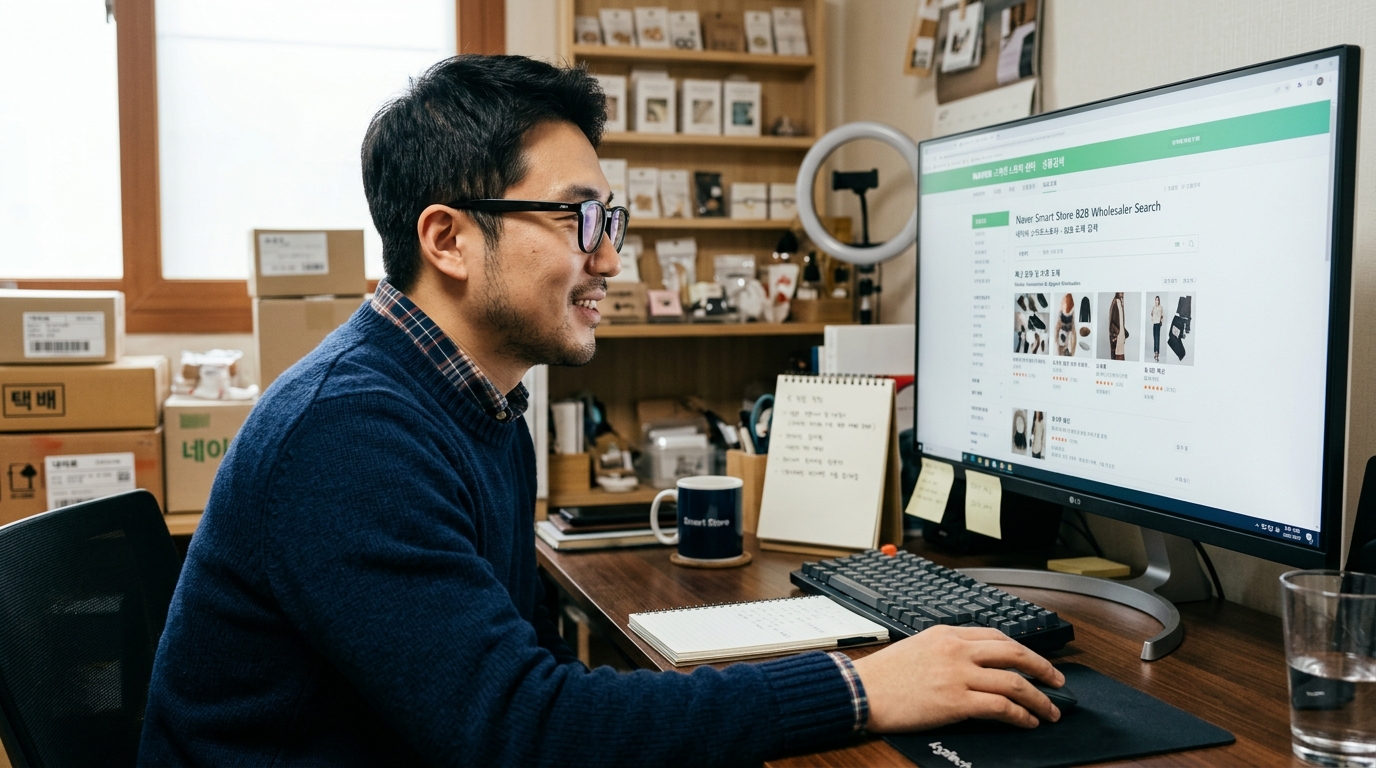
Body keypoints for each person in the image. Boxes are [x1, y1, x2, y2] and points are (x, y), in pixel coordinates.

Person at [138, 55, 1063, 767]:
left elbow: (517, 692)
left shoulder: (481, 402)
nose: (611, 261)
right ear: (448, 238)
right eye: (580, 219)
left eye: (612, 223)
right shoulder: (347, 435)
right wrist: (858, 688)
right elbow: (522, 730)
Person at [1151, 295, 1164, 362]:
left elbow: (1162, 315)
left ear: (1159, 301)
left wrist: (1161, 322)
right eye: (1156, 300)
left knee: (1157, 338)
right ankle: (1155, 352)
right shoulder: (1153, 307)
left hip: (1158, 324)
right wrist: (1153, 319)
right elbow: (1151, 314)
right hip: (1154, 323)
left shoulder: (1160, 307)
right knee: (1154, 338)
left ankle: (1157, 353)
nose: (1156, 301)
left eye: (1157, 300)